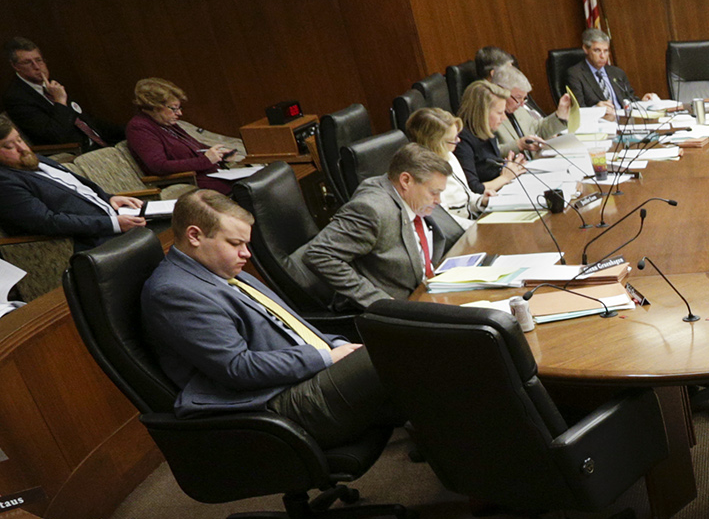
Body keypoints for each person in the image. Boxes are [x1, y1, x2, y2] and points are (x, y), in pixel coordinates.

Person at [141, 190, 398, 449]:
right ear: (194, 236)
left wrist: (337, 347)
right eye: (235, 243)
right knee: (402, 352)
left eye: (246, 243)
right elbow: (237, 368)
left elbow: (293, 326)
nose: (246, 253)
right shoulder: (174, 292)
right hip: (278, 403)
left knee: (409, 354)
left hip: (301, 377)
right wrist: (327, 357)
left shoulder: (218, 269)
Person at [287, 143, 460, 314]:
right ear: (406, 180)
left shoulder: (407, 198)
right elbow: (319, 254)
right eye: (433, 192)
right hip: (396, 312)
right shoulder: (372, 209)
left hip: (425, 291)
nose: (439, 200)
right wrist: (378, 301)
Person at [0, 115, 144, 248]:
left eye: (19, 139)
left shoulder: (35, 159)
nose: (22, 148)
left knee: (164, 218)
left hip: (116, 216)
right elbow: (48, 222)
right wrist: (113, 224)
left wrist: (110, 197)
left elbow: (77, 189)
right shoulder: (5, 182)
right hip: (96, 240)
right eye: (9, 146)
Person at [124, 78, 243, 195]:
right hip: (189, 182)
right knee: (248, 189)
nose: (179, 113)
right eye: (174, 108)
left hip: (209, 176)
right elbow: (159, 166)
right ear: (155, 107)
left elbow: (196, 147)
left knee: (255, 183)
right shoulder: (139, 128)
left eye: (179, 108)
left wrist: (220, 154)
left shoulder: (166, 123)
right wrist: (205, 161)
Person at [3, 38, 121, 154]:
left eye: (39, 60)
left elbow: (86, 120)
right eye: (28, 62)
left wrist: (128, 131)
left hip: (100, 142)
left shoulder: (52, 85)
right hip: (76, 151)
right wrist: (60, 101)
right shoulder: (16, 98)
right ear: (15, 66)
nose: (37, 67)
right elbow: (54, 135)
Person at [452, 80, 526, 204]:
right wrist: (505, 177)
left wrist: (509, 166)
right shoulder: (461, 141)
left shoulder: (487, 131)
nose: (504, 118)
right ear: (482, 113)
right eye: (499, 113)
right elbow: (473, 189)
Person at [404, 107, 484, 220]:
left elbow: (465, 197)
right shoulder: (426, 174)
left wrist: (482, 201)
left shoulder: (449, 155)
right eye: (453, 138)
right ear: (436, 143)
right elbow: (445, 220)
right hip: (458, 230)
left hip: (469, 219)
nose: (458, 141)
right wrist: (475, 226)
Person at [564, 28, 656, 111]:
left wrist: (642, 102)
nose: (603, 56)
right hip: (600, 123)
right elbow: (578, 110)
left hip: (625, 120)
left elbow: (629, 99)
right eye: (597, 50)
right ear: (585, 49)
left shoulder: (617, 73)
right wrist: (596, 109)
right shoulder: (575, 74)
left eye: (606, 51)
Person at [489, 64, 569, 157]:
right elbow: (488, 154)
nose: (522, 104)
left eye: (524, 98)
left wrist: (560, 117)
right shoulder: (486, 116)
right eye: (518, 98)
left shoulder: (518, 108)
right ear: (500, 91)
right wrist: (519, 145)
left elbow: (538, 129)